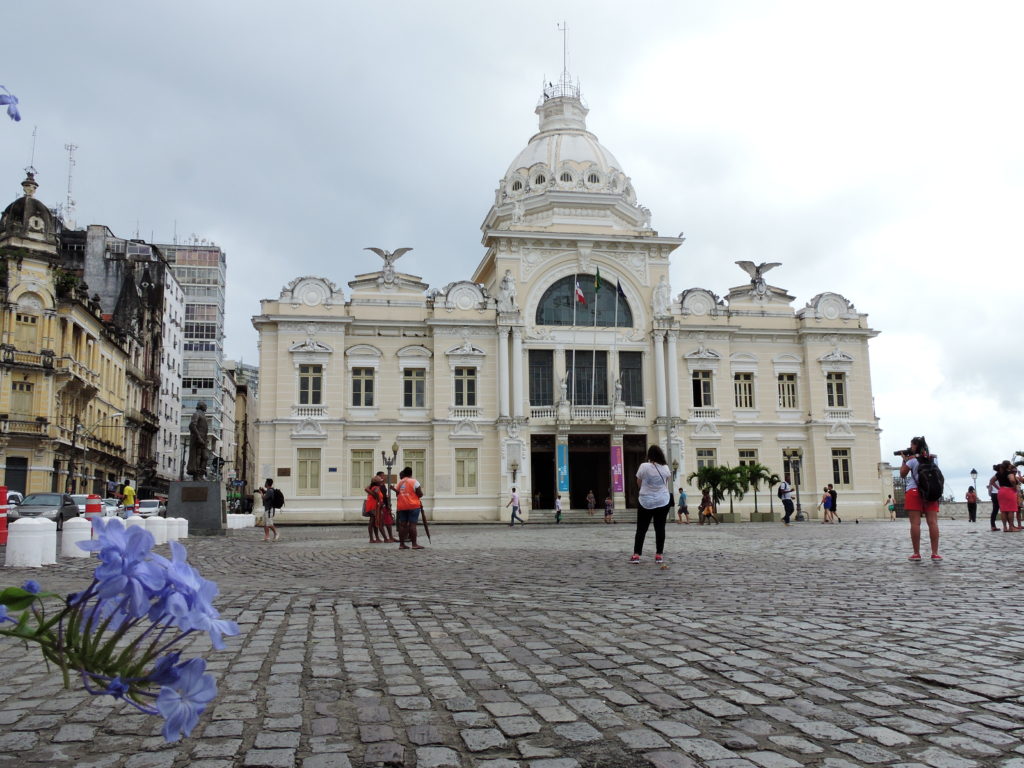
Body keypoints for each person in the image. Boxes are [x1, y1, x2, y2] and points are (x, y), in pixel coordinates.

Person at [900, 436, 940, 560]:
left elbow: (902, 474)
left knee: (915, 523)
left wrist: (904, 460)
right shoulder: (933, 459)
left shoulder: (912, 460)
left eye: (911, 445)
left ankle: (916, 553)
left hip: (914, 491)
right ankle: (934, 553)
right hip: (930, 492)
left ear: (915, 446)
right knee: (933, 522)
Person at [630, 445, 671, 563]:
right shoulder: (666, 468)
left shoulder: (644, 466)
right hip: (662, 501)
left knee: (641, 529)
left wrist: (645, 490)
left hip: (645, 501)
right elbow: (666, 483)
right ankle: (659, 555)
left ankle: (637, 555)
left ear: (650, 455)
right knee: (660, 528)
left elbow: (639, 482)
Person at [395, 467, 426, 548]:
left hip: (402, 506)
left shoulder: (400, 482)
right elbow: (420, 493)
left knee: (402, 525)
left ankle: (401, 544)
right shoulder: (414, 481)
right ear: (411, 473)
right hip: (413, 505)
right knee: (412, 525)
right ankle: (414, 544)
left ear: (404, 474)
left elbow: (397, 493)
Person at [991, 461, 1021, 533]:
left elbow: (991, 481)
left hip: (1001, 491)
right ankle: (1011, 527)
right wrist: (1014, 487)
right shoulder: (1009, 473)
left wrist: (999, 488)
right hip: (1009, 491)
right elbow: (1012, 480)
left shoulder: (999, 473)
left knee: (1003, 510)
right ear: (1008, 465)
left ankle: (1005, 527)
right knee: (1011, 510)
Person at [186, 402, 210, 480]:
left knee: (205, 457)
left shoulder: (203, 415)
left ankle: (201, 474)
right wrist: (199, 437)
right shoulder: (196, 414)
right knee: (198, 456)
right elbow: (192, 425)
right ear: (201, 406)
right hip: (197, 439)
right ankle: (196, 475)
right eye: (205, 405)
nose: (206, 406)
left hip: (204, 440)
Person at [364, 475, 386, 543]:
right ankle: (372, 539)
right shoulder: (376, 488)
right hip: (373, 506)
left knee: (373, 522)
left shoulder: (372, 487)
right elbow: (376, 494)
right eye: (380, 481)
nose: (381, 482)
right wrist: (380, 501)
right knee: (372, 522)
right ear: (377, 482)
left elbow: (366, 488)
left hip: (371, 506)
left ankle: (376, 538)